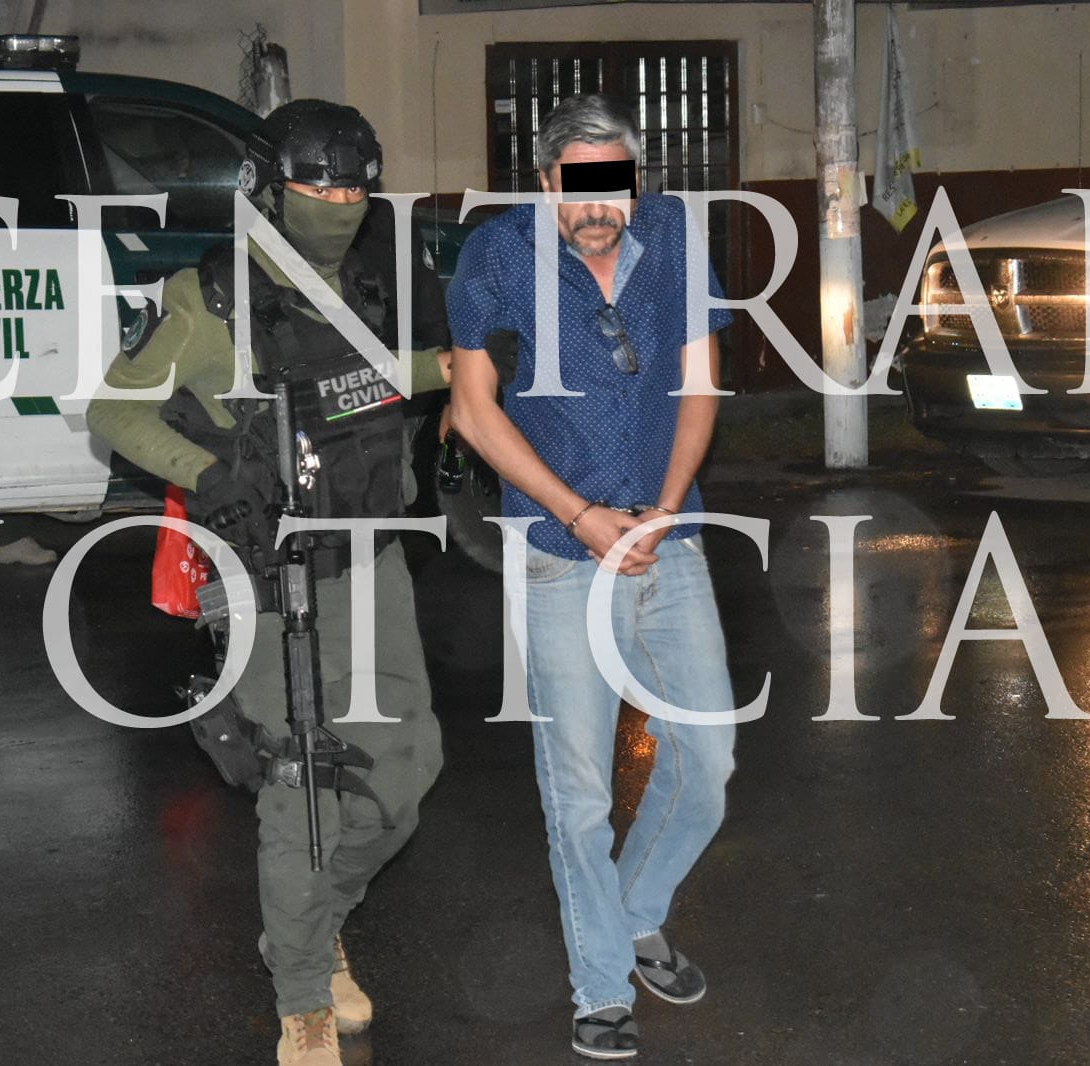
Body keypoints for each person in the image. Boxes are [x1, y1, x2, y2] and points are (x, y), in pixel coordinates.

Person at [87, 99, 448, 1066]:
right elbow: (115, 410)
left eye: (354, 189)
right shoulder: (209, 297)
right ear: (265, 187)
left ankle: (315, 923)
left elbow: (377, 380)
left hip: (371, 557)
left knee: (407, 774)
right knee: (301, 780)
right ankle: (302, 993)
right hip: (267, 571)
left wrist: (457, 366)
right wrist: (209, 476)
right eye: (316, 189)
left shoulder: (368, 281)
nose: (339, 205)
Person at [445, 93, 737, 1061]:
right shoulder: (496, 256)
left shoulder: (674, 235)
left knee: (707, 763)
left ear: (637, 181)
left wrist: (665, 506)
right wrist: (581, 515)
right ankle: (602, 984)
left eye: (615, 183)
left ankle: (636, 910)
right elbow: (474, 410)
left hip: (666, 539)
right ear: (545, 184)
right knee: (578, 795)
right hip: (559, 552)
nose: (598, 206)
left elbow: (700, 380)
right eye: (579, 186)